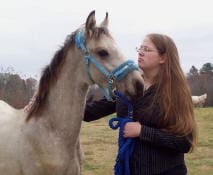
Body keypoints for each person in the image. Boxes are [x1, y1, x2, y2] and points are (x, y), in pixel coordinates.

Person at [84, 33, 197, 175]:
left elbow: (185, 142)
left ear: (163, 58)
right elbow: (90, 112)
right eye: (140, 48)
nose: (141, 53)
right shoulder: (129, 86)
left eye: (147, 50)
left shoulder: (175, 92)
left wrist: (142, 131)